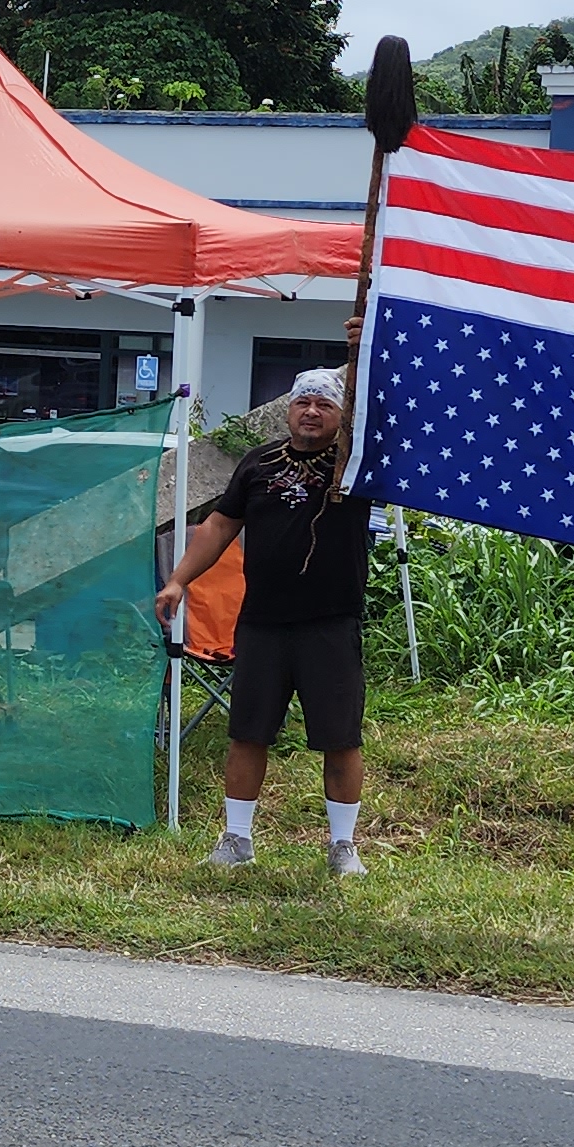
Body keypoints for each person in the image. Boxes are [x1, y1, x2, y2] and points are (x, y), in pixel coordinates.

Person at [158, 366, 375, 876]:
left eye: (324, 404)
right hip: (262, 622)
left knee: (340, 737)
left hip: (331, 622)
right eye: (304, 402)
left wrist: (362, 345)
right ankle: (236, 839)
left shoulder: (355, 462)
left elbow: (382, 419)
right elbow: (218, 525)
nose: (312, 411)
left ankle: (343, 847)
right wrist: (178, 580)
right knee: (248, 732)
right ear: (288, 408)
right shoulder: (258, 462)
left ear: (342, 414)